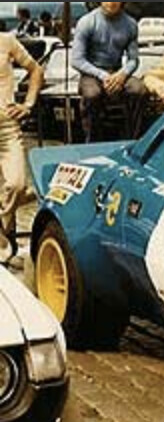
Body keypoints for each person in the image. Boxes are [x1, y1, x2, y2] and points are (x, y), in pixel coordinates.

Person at [72, 2, 146, 143]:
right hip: (91, 73)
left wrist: (123, 74)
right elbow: (77, 60)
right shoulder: (87, 22)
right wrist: (103, 75)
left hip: (117, 71)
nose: (111, 3)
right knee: (92, 94)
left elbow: (133, 59)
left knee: (139, 90)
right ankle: (92, 142)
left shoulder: (130, 24)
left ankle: (132, 139)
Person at [0, 33, 44, 265]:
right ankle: (5, 245)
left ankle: (2, 232)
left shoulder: (6, 41)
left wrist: (28, 104)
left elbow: (35, 70)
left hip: (7, 128)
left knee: (17, 185)